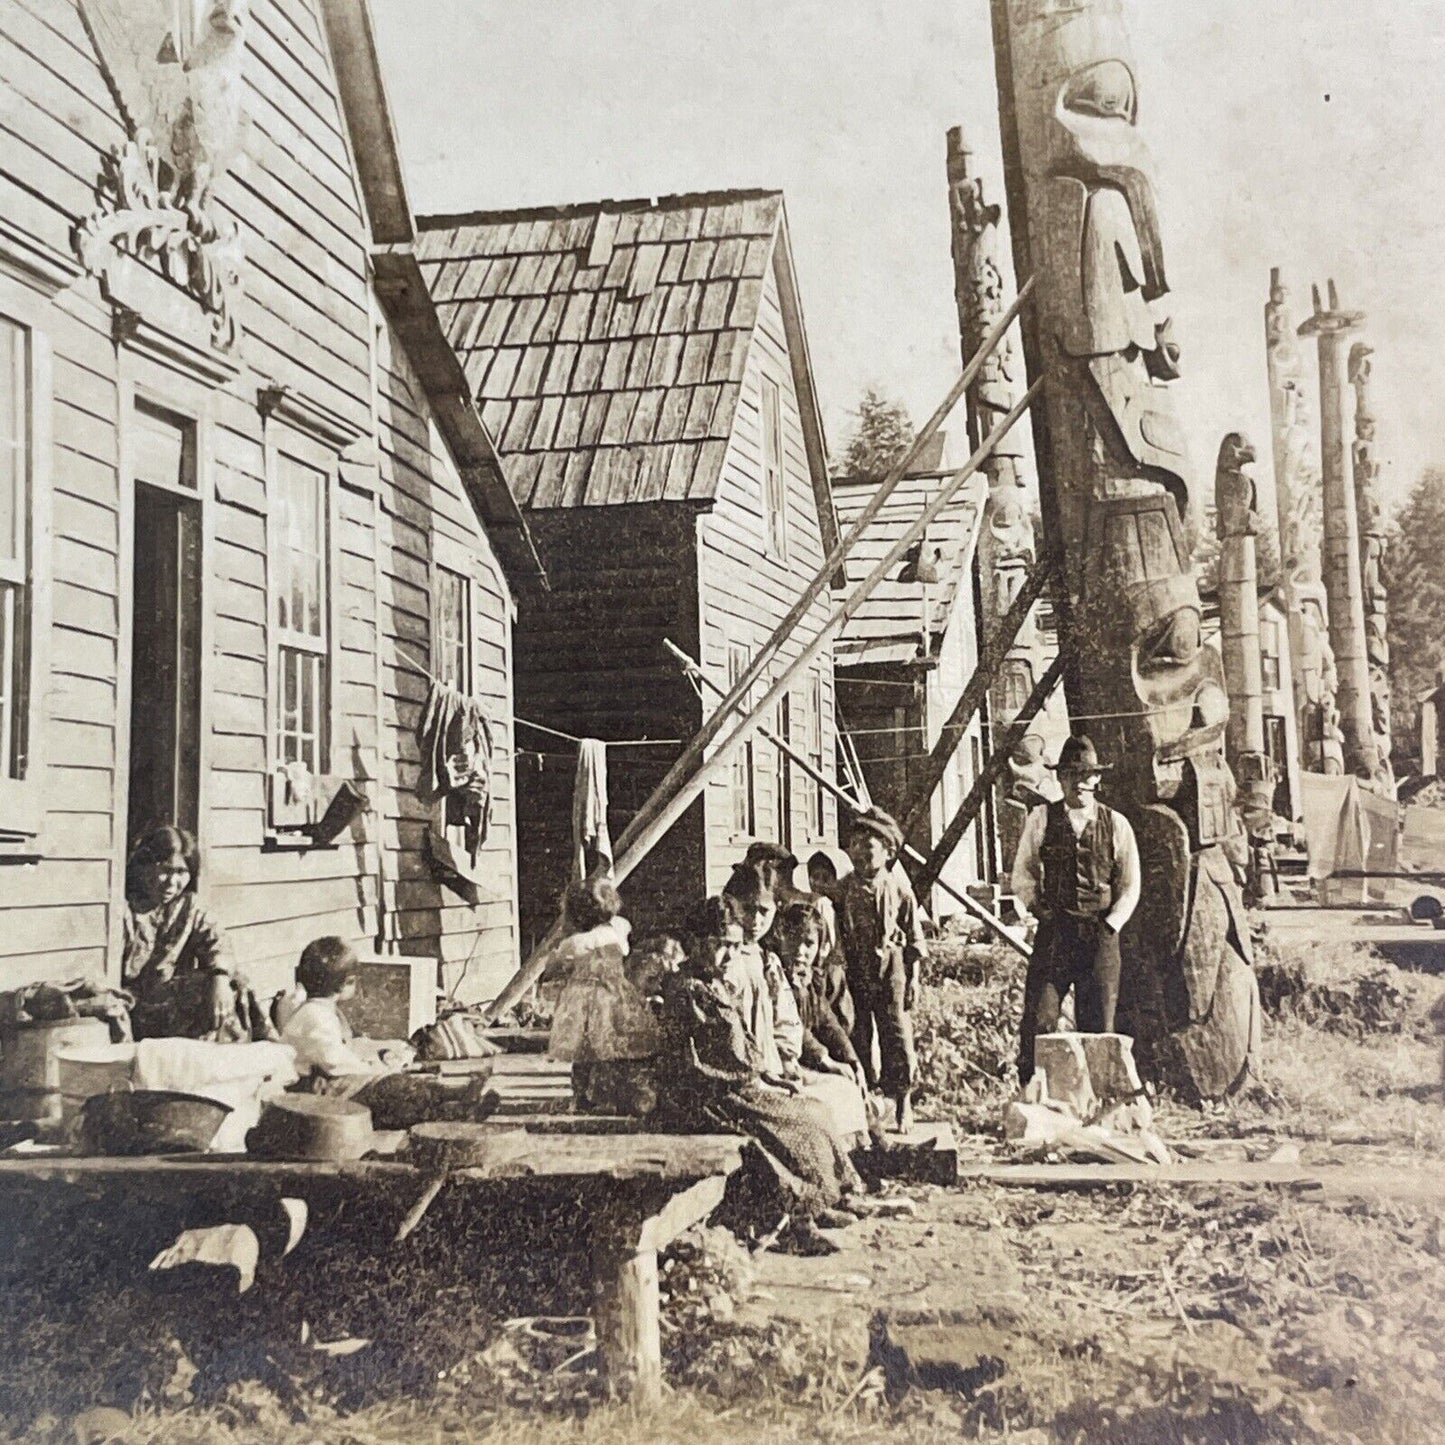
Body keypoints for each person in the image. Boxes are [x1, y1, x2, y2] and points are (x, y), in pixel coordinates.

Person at [656, 897, 864, 1241]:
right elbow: (697, 1063)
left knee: (815, 1112)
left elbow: (742, 1046)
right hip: (704, 1097)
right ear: (694, 944)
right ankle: (793, 1222)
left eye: (735, 947)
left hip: (734, 1086)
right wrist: (751, 1076)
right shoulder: (689, 990)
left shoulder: (717, 983)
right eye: (719, 946)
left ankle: (821, 1201)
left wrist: (768, 1076)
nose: (728, 956)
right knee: (787, 1128)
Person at [1009, 734, 1141, 1085]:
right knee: (1040, 1020)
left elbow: (1130, 885)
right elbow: (1022, 874)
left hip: (1100, 936)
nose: (1079, 782)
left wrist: (1111, 924)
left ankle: (1098, 1103)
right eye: (1071, 774)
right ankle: (1035, 1098)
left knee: (1098, 1026)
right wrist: (1039, 909)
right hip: (1056, 935)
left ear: (1097, 779)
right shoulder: (1041, 819)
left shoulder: (1117, 824)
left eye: (1087, 775)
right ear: (1060, 778)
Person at [122, 825, 275, 1042]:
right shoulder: (127, 908)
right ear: (146, 867)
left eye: (181, 872)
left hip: (167, 1000)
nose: (172, 883)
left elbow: (217, 941)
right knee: (205, 992)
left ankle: (262, 1049)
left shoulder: (188, 905)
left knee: (236, 983)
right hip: (134, 1006)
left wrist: (220, 976)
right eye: (165, 869)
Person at [837, 807, 926, 1133]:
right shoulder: (844, 888)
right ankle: (867, 1098)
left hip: (892, 968)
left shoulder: (898, 888)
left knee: (896, 1033)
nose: (859, 852)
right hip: (856, 969)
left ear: (888, 851)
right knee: (859, 1031)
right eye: (854, 844)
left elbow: (914, 936)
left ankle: (902, 1099)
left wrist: (914, 979)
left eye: (868, 845)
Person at [547, 876, 658, 1113]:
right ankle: (610, 1095)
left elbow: (555, 964)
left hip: (585, 1000)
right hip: (614, 996)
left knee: (583, 1053)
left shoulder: (578, 942)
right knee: (611, 1049)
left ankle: (581, 1096)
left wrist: (558, 955)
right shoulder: (617, 929)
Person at [805, 848, 855, 1033]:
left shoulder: (849, 905)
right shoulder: (820, 904)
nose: (818, 884)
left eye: (826, 879)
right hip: (829, 968)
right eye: (814, 877)